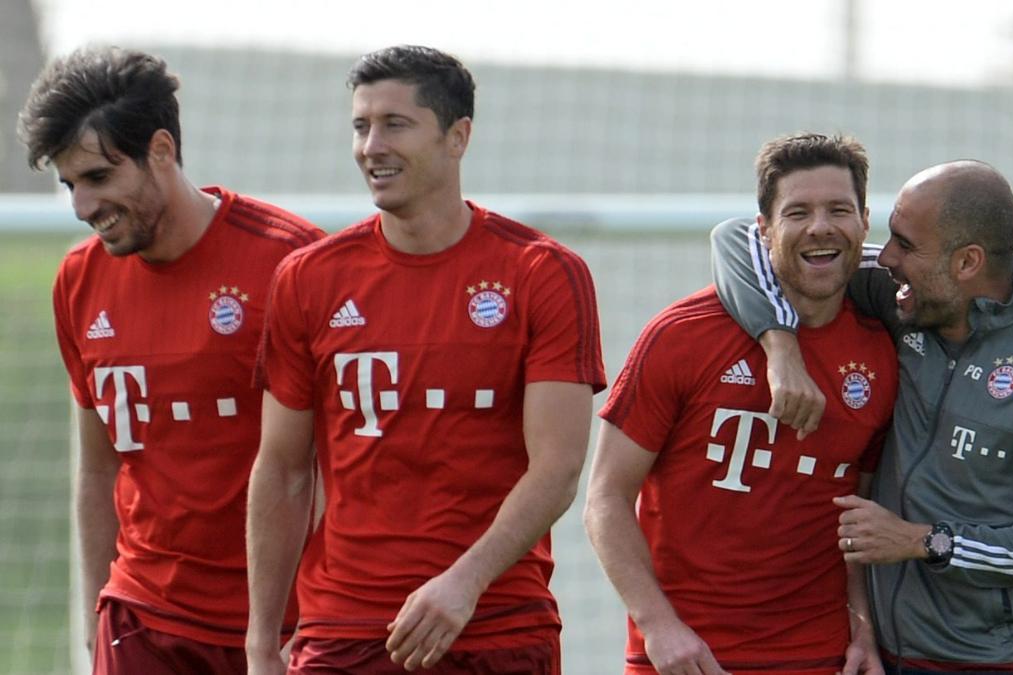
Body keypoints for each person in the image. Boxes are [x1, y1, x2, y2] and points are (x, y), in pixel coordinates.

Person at [244, 45, 606, 674]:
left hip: (495, 624)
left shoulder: (542, 273)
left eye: (395, 125)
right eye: (361, 126)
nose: (371, 146)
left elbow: (558, 467)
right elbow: (282, 472)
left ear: (457, 136)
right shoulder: (308, 278)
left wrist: (464, 582)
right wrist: (259, 644)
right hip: (344, 630)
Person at [709, 160, 1013, 674]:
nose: (889, 259)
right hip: (880, 656)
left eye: (905, 244)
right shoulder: (905, 298)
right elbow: (736, 239)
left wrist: (925, 541)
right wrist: (781, 345)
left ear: (967, 262)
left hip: (994, 664)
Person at [18, 46, 324, 673]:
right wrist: (95, 618)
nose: (80, 206)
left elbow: (340, 466)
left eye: (99, 178)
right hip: (143, 619)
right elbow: (98, 469)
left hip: (281, 629)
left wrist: (323, 618)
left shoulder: (293, 265)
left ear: (161, 150)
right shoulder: (78, 282)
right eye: (69, 183)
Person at [584, 133, 896, 675]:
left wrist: (864, 632)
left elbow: (858, 520)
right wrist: (659, 626)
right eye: (798, 211)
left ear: (865, 223)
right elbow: (606, 498)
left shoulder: (882, 353)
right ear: (763, 229)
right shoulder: (682, 335)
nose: (820, 226)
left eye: (838, 210)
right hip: (687, 657)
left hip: (819, 656)